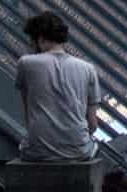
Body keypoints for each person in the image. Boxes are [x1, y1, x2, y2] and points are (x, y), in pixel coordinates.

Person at [17, 13, 101, 160]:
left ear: (41, 39)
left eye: (32, 41)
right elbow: (92, 124)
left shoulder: (26, 63)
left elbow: (28, 114)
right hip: (78, 151)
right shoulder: (88, 68)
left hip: (37, 150)